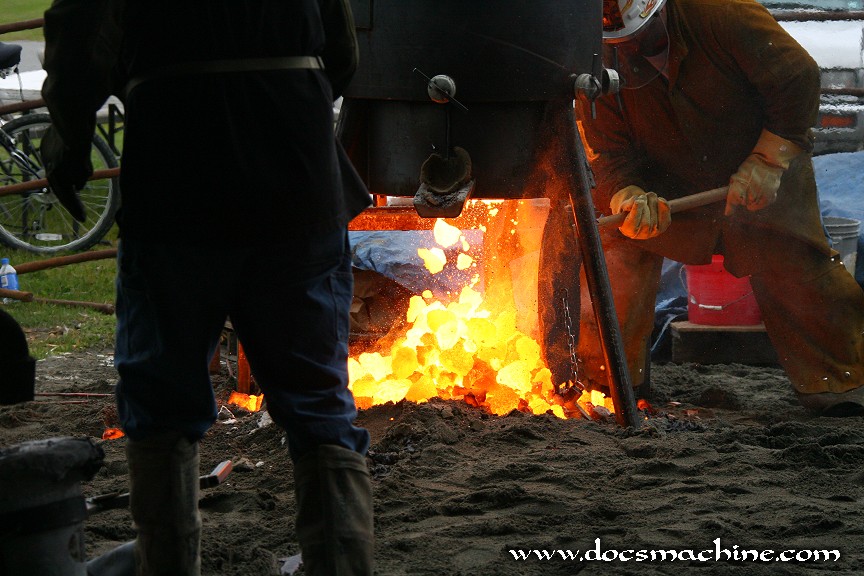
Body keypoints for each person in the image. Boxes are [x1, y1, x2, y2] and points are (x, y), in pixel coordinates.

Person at [40, 1, 375, 574]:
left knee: (162, 401)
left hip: (178, 179)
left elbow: (79, 42)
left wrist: (68, 143)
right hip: (295, 181)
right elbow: (341, 53)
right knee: (316, 400)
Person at [571, 0, 864, 415]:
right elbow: (607, 149)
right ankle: (609, 382)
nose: (631, 48)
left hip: (761, 169)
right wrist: (626, 193)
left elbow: (797, 77)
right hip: (664, 180)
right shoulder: (595, 55)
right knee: (615, 252)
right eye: (620, 41)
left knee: (794, 263)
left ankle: (841, 386)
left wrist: (770, 158)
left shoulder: (721, 13)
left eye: (639, 35)